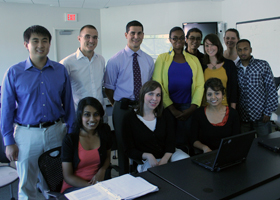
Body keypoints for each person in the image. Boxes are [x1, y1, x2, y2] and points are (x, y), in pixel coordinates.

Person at [1, 25, 75, 200]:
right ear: (26, 44)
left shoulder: (60, 70)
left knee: (55, 180)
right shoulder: (14, 72)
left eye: (45, 41)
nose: (40, 45)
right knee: (27, 182)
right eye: (35, 41)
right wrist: (8, 141)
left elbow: (69, 105)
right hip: (27, 134)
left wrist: (71, 133)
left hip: (56, 131)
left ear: (50, 44)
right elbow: (6, 109)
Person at [103, 20, 154, 175]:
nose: (136, 36)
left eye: (139, 33)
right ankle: (124, 176)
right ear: (126, 35)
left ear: (143, 35)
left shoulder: (148, 60)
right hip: (123, 107)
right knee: (123, 144)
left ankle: (142, 173)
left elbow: (149, 86)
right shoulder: (115, 60)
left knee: (142, 140)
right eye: (132, 33)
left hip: (142, 107)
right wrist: (117, 105)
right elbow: (109, 89)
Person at [153, 26, 204, 152]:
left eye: (181, 38)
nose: (178, 41)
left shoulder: (194, 59)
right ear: (170, 39)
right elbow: (157, 84)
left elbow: (199, 85)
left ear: (185, 39)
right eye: (175, 38)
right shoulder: (162, 58)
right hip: (167, 107)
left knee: (188, 141)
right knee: (171, 140)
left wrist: (192, 108)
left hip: (188, 107)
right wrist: (171, 108)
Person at [123, 80, 189, 172]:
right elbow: (129, 150)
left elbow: (171, 141)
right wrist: (148, 155)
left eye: (158, 95)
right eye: (151, 94)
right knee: (154, 174)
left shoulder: (165, 114)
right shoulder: (129, 118)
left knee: (187, 162)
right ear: (143, 95)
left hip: (169, 154)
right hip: (147, 159)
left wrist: (165, 159)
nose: (155, 98)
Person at [61, 97, 112, 193]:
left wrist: (102, 170)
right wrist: (91, 187)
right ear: (80, 116)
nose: (92, 119)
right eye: (87, 115)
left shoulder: (104, 131)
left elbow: (107, 157)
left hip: (100, 184)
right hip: (75, 187)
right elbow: (68, 176)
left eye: (96, 114)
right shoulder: (70, 140)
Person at [60, 25, 107, 122]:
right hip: (80, 115)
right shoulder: (67, 63)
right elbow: (60, 92)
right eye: (87, 36)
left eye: (95, 37)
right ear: (79, 38)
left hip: (100, 113)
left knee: (102, 137)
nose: (91, 40)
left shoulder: (100, 60)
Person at [236, 39, 278, 137]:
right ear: (236, 51)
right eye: (240, 50)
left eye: (245, 49)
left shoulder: (262, 65)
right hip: (243, 118)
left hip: (261, 117)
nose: (243, 52)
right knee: (246, 148)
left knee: (265, 146)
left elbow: (271, 89)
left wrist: (268, 112)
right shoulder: (235, 68)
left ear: (250, 50)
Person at [191, 78, 240, 153]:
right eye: (209, 94)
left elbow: (236, 139)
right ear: (205, 96)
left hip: (228, 154)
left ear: (223, 95)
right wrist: (205, 148)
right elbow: (193, 139)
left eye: (217, 93)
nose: (213, 97)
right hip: (206, 155)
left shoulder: (233, 114)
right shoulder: (198, 113)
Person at [202, 33, 238, 109]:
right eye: (207, 46)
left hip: (225, 107)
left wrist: (232, 110)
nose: (210, 48)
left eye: (212, 45)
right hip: (206, 108)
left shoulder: (229, 65)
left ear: (218, 45)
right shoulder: (201, 65)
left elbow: (234, 89)